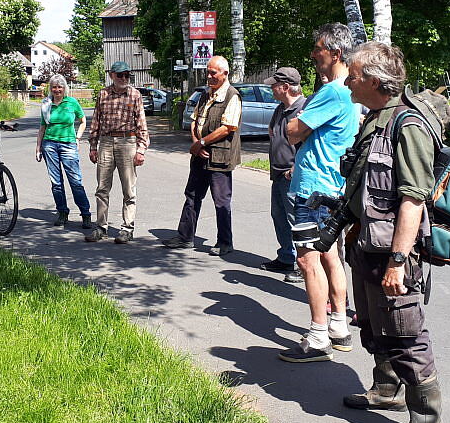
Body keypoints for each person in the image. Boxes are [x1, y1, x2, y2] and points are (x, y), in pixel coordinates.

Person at [340, 42, 447, 423]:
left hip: (392, 251)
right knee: (372, 324)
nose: (347, 82)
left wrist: (398, 261)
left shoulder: (408, 124)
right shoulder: (376, 119)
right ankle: (386, 388)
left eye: (353, 76)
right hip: (367, 243)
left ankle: (428, 422)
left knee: (405, 333)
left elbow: (413, 199)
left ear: (372, 80)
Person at [277, 23, 359, 362]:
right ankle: (339, 327)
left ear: (335, 54)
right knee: (330, 256)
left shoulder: (331, 92)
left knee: (307, 259)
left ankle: (317, 337)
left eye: (318, 49)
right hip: (334, 186)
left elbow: (292, 130)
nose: (313, 55)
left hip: (313, 189)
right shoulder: (351, 90)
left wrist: (297, 126)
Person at [162, 55, 241, 256]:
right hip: (200, 155)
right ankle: (185, 237)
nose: (209, 76)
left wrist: (202, 142)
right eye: (208, 72)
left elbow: (227, 128)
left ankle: (225, 242)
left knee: (221, 202)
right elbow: (195, 121)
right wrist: (196, 142)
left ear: (225, 73)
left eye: (213, 73)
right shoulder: (206, 94)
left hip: (220, 158)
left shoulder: (232, 96)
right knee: (192, 196)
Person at [85, 61, 150, 244]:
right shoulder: (103, 94)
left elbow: (142, 124)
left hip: (128, 142)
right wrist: (93, 146)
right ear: (111, 75)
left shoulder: (135, 95)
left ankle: (127, 229)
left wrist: (141, 150)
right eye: (120, 75)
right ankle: (101, 227)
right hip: (106, 142)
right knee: (102, 188)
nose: (123, 78)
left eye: (126, 75)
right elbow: (96, 121)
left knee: (129, 189)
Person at [260, 67, 307, 281]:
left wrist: (295, 168)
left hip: (293, 176)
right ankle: (287, 257)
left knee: (296, 220)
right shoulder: (280, 109)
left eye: (274, 85)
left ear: (286, 87)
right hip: (278, 173)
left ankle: (302, 264)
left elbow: (309, 144)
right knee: (279, 217)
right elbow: (272, 132)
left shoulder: (304, 109)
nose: (271, 88)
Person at [35, 74, 92, 229]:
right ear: (51, 89)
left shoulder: (71, 102)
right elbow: (42, 127)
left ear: (64, 88)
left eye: (60, 87)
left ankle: (85, 214)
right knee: (56, 183)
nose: (57, 90)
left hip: (68, 145)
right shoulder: (46, 104)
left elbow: (83, 121)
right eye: (54, 87)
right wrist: (38, 147)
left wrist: (78, 138)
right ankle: (62, 212)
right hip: (49, 145)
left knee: (75, 181)